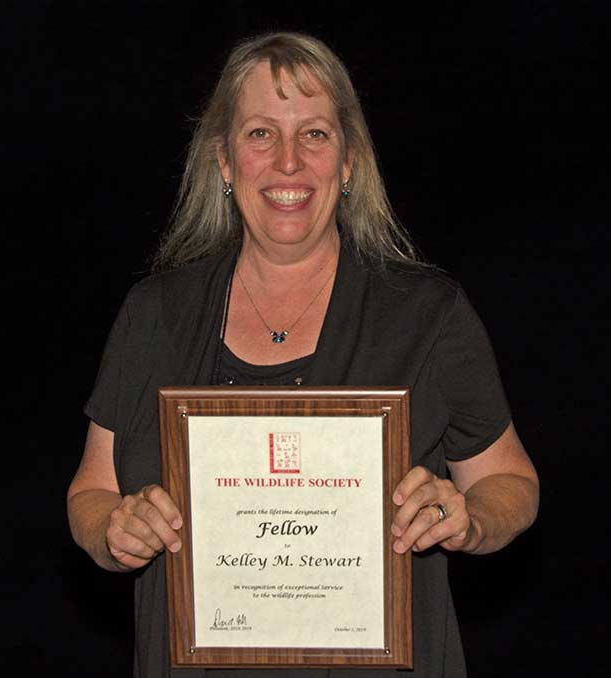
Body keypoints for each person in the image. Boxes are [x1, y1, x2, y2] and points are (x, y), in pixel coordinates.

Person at [67, 32, 539, 677]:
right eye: (261, 133)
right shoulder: (155, 313)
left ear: (348, 162)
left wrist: (471, 518)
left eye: (314, 134)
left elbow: (510, 483)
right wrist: (112, 530)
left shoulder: (426, 314)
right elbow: (92, 491)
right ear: (224, 162)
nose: (288, 162)